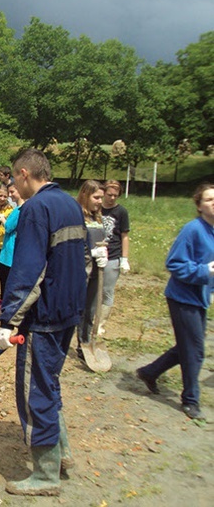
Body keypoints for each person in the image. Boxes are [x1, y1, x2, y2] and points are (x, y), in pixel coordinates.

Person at [0, 149, 86, 496]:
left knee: (36, 392)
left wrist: (8, 319)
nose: (13, 186)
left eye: (14, 180)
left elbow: (30, 269)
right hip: (69, 311)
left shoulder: (35, 208)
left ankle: (46, 474)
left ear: (23, 173)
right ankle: (63, 456)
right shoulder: (68, 203)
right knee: (50, 385)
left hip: (45, 317)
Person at [136, 183, 214, 421]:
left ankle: (149, 372)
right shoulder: (193, 230)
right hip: (182, 298)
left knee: (187, 347)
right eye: (209, 200)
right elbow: (174, 263)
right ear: (199, 206)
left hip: (200, 298)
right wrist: (204, 271)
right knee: (195, 351)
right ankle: (191, 400)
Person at [75, 180, 109, 361]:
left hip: (98, 268)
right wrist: (90, 252)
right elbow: (75, 243)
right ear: (85, 195)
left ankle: (86, 341)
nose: (99, 202)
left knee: (91, 307)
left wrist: (104, 254)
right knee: (79, 306)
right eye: (96, 197)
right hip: (83, 268)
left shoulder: (98, 218)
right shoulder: (78, 217)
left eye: (101, 198)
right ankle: (77, 340)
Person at [99, 180, 130, 336]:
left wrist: (124, 259)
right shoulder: (97, 208)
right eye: (109, 194)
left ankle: (100, 324)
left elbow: (124, 236)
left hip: (113, 256)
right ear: (103, 193)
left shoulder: (121, 212)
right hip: (96, 255)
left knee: (107, 291)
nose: (112, 198)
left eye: (115, 196)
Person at [0, 182, 25, 293]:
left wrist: (2, 219)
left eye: (12, 192)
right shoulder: (17, 209)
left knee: (7, 280)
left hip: (10, 251)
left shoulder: (19, 210)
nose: (10, 195)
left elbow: (8, 227)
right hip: (7, 250)